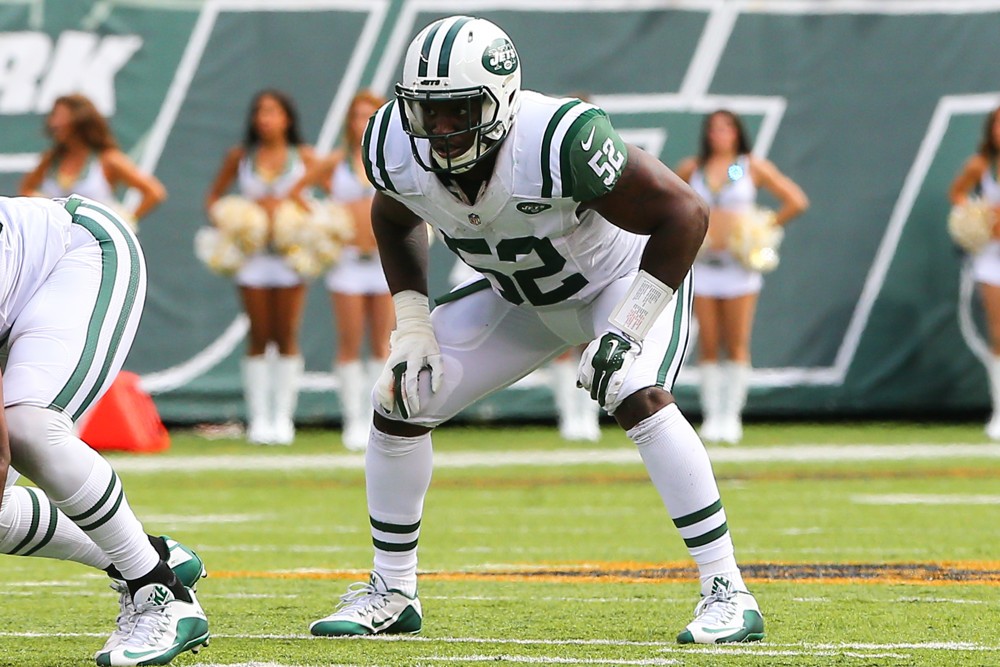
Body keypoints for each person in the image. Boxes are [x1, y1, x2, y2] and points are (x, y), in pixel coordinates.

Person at [309, 16, 764, 645]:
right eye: (426, 111)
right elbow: (393, 216)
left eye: (457, 111)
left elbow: (685, 211)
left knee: (633, 388)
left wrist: (629, 325)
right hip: (519, 299)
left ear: (499, 100)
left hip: (618, 283)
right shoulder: (391, 139)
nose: (439, 130)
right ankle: (392, 590)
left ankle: (727, 590)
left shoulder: (557, 138)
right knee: (399, 399)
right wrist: (411, 322)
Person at [0, 195, 208, 665]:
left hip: (78, 251)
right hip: (12, 290)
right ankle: (152, 556)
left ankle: (162, 594)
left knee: (27, 425)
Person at [675, 110, 808, 444]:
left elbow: (796, 201)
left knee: (735, 341)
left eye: (727, 127)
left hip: (739, 269)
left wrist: (760, 231)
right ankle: (711, 415)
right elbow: (669, 202)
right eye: (714, 128)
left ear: (738, 132)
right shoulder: (694, 168)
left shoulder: (750, 167)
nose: (720, 133)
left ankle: (731, 416)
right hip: (704, 267)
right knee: (707, 341)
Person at [205, 89, 317, 445]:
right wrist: (233, 220)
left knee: (286, 333)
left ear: (287, 118)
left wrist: (305, 222)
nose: (265, 118)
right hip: (253, 261)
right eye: (260, 112)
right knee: (258, 334)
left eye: (272, 111)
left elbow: (329, 198)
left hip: (290, 259)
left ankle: (282, 418)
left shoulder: (305, 157)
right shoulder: (241, 157)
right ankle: (259, 418)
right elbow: (214, 197)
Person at [290, 91, 393, 451]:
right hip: (347, 262)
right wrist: (325, 223)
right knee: (349, 341)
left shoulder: (391, 158)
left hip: (383, 261)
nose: (360, 123)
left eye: (368, 116)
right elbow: (297, 192)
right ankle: (353, 418)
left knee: (383, 343)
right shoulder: (336, 162)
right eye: (355, 116)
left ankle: (381, 417)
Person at [20, 93, 167, 224]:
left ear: (80, 121)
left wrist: (125, 220)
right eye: (53, 116)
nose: (53, 123)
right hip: (57, 245)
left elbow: (154, 192)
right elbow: (26, 189)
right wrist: (41, 204)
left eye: (60, 116)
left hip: (96, 248)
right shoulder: (50, 160)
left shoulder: (108, 159)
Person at [949, 106, 1000, 439]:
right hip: (992, 260)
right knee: (999, 335)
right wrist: (976, 217)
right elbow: (956, 193)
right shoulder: (981, 166)